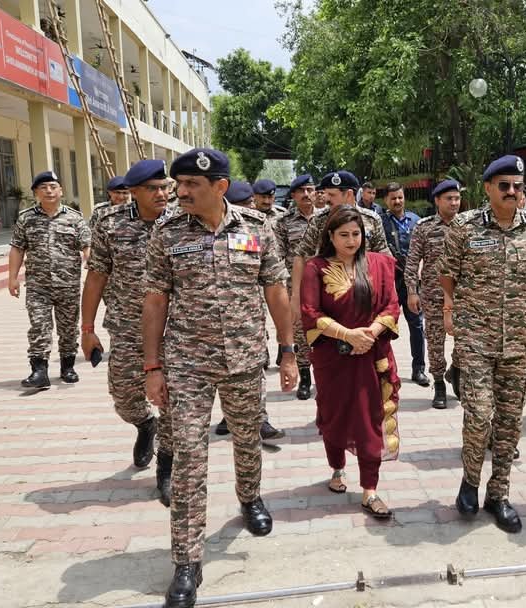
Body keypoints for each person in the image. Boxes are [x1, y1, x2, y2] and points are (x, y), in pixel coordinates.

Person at [142, 148, 298, 608]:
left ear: (220, 187)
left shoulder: (258, 228)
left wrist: (289, 352)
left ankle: (250, 498)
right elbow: (155, 300)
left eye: (191, 184)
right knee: (189, 456)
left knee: (247, 439)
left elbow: (276, 291)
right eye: (179, 184)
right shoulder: (167, 232)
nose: (181, 192)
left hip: (245, 359)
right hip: (187, 363)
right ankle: (186, 560)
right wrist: (152, 367)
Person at [439, 155, 526, 534]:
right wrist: (451, 309)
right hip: (475, 337)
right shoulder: (464, 226)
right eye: (503, 185)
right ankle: (470, 482)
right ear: (488, 188)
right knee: (478, 415)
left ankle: (499, 493)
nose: (511, 191)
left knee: (508, 421)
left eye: (517, 186)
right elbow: (447, 273)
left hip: (518, 341)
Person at [81, 159, 174, 504]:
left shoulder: (182, 221)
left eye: (165, 187)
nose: (162, 194)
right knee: (124, 398)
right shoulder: (110, 224)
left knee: (174, 403)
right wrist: (87, 329)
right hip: (127, 327)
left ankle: (167, 467)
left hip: (176, 328)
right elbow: (96, 276)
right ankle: (144, 425)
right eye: (153, 189)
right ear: (133, 192)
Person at [301, 206, 402, 520]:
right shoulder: (315, 268)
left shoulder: (379, 264)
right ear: (330, 236)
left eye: (356, 234)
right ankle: (337, 468)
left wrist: (369, 333)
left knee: (370, 419)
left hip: (372, 354)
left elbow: (391, 305)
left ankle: (370, 489)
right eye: (343, 234)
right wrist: (347, 335)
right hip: (334, 358)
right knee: (335, 416)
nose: (351, 240)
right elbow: (310, 312)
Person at [215, 179, 286, 439]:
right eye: (241, 204)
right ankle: (230, 415)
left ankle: (260, 417)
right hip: (216, 319)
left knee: (256, 366)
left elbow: (268, 276)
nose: (247, 209)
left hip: (250, 316)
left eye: (248, 204)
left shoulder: (255, 228)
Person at [8, 171, 91, 389]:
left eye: (53, 187)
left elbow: (87, 245)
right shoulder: (26, 218)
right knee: (39, 326)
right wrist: (12, 278)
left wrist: (90, 261)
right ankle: (39, 371)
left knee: (68, 328)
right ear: (36, 192)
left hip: (68, 285)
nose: (49, 191)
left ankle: (67, 367)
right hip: (38, 286)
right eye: (43, 187)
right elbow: (17, 248)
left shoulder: (74, 218)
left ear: (61, 191)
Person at [289, 171, 391, 335]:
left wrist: (387, 299)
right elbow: (300, 256)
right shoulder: (319, 220)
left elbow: (385, 259)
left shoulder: (371, 220)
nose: (326, 199)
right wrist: (296, 297)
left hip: (364, 296)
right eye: (325, 194)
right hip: (328, 298)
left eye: (332, 195)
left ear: (349, 194)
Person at [404, 179, 462, 409]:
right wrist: (412, 292)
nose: (454, 203)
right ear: (437, 200)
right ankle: (439, 384)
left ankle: (456, 370)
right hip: (433, 296)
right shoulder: (424, 227)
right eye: (449, 199)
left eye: (457, 198)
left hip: (464, 297)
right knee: (436, 343)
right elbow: (412, 263)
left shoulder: (467, 226)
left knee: (465, 342)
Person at [381, 182, 428, 387]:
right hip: (389, 281)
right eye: (393, 198)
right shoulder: (380, 222)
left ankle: (419, 369)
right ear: (386, 200)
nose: (397, 201)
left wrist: (419, 271)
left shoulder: (416, 221)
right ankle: (383, 369)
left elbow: (425, 250)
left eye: (400, 197)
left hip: (412, 282)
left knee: (417, 325)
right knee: (384, 326)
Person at [277, 175, 318, 400]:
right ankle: (305, 378)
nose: (306, 194)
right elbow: (278, 256)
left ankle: (325, 376)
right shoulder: (283, 222)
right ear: (293, 195)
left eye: (310, 189)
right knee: (300, 333)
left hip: (325, 284)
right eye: (301, 191)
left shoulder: (326, 218)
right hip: (297, 286)